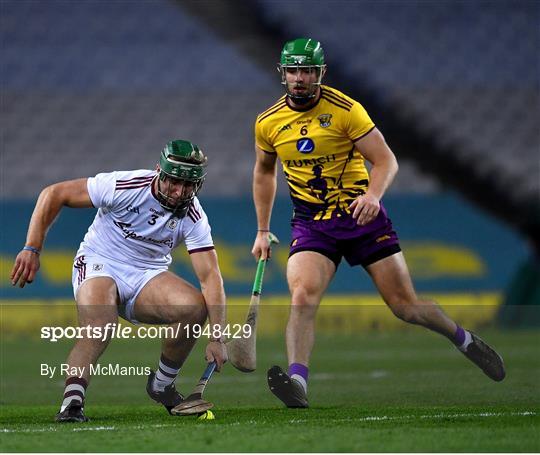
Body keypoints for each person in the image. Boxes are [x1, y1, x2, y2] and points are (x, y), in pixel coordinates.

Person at [251, 38, 505, 408]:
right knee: (302, 296)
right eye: (294, 71)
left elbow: (386, 161)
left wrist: (372, 196)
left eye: (307, 70)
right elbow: (263, 173)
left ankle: (464, 339)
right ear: (283, 74)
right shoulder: (268, 122)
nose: (300, 78)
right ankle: (298, 384)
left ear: (321, 73)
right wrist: (261, 229)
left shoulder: (346, 110)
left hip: (360, 217)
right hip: (312, 223)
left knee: (405, 306)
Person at [11, 139, 228, 422]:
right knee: (100, 326)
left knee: (194, 308)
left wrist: (218, 336)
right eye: (174, 182)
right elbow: (53, 194)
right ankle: (72, 402)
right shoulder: (125, 186)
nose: (179, 192)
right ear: (159, 173)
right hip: (100, 261)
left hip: (147, 274)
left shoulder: (193, 215)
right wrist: (32, 248)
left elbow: (211, 277)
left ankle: (162, 385)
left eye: (188, 185)